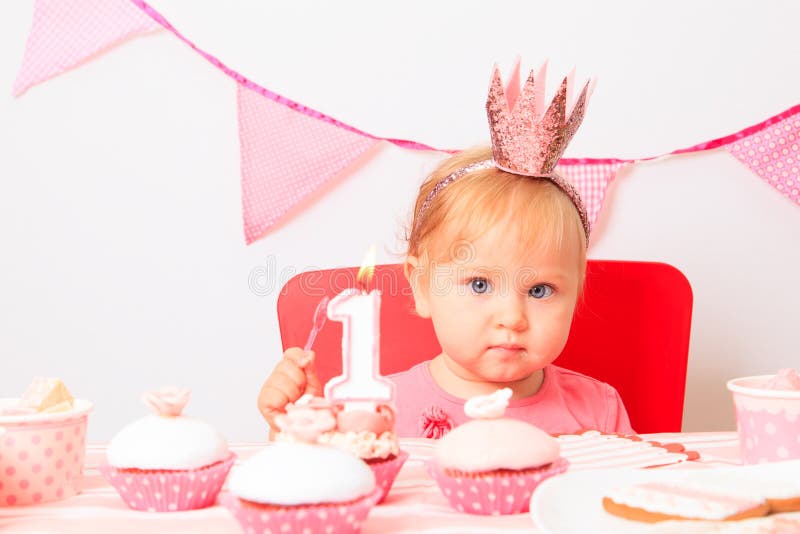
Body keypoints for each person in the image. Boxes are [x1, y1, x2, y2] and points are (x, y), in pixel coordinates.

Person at [258, 63, 633, 438]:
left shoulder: (599, 413)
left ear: (577, 291)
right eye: (480, 284)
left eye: (540, 290)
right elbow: (319, 489)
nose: (512, 318)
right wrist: (295, 431)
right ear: (422, 286)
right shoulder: (370, 412)